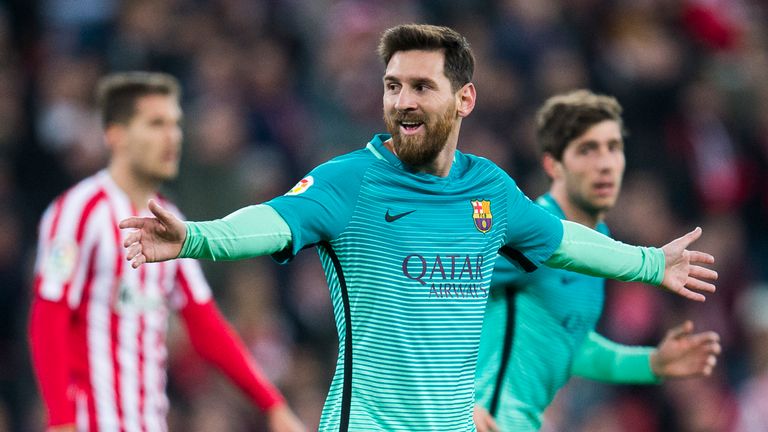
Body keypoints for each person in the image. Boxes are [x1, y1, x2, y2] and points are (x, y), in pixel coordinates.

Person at [119, 25, 717, 431]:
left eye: (422, 87)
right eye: (393, 85)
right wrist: (194, 237)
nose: (403, 100)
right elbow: (271, 221)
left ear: (464, 100)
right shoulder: (349, 182)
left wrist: (650, 263)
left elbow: (561, 241)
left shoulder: (489, 190)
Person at [28, 72, 306, 432]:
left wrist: (271, 403)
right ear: (117, 136)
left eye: (175, 124)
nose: (172, 136)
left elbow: (204, 323)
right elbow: (48, 316)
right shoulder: (78, 212)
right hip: (91, 422)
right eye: (156, 124)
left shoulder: (171, 219)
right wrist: (60, 419)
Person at [472, 90, 722, 432]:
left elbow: (569, 342)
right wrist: (457, 403)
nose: (604, 163)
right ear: (553, 164)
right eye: (587, 150)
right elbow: (430, 302)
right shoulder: (525, 237)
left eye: (612, 148)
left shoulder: (600, 246)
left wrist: (650, 364)